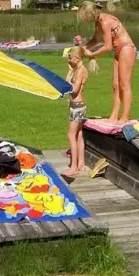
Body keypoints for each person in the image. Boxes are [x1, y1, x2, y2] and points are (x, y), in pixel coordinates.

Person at [79, 2, 136, 123]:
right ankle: (114, 116)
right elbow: (96, 39)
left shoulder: (104, 22)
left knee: (124, 85)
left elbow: (107, 47)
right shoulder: (98, 22)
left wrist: (92, 54)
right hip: (119, 51)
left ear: (90, 14)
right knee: (116, 85)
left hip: (126, 48)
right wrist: (84, 47)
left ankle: (125, 116)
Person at [61, 46, 95, 179]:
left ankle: (73, 166)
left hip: (77, 106)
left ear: (77, 58)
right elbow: (66, 84)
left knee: (71, 135)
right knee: (79, 134)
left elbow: (73, 90)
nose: (69, 60)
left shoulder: (81, 71)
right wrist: (70, 72)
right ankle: (81, 162)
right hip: (78, 105)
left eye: (70, 58)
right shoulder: (77, 69)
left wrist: (70, 78)